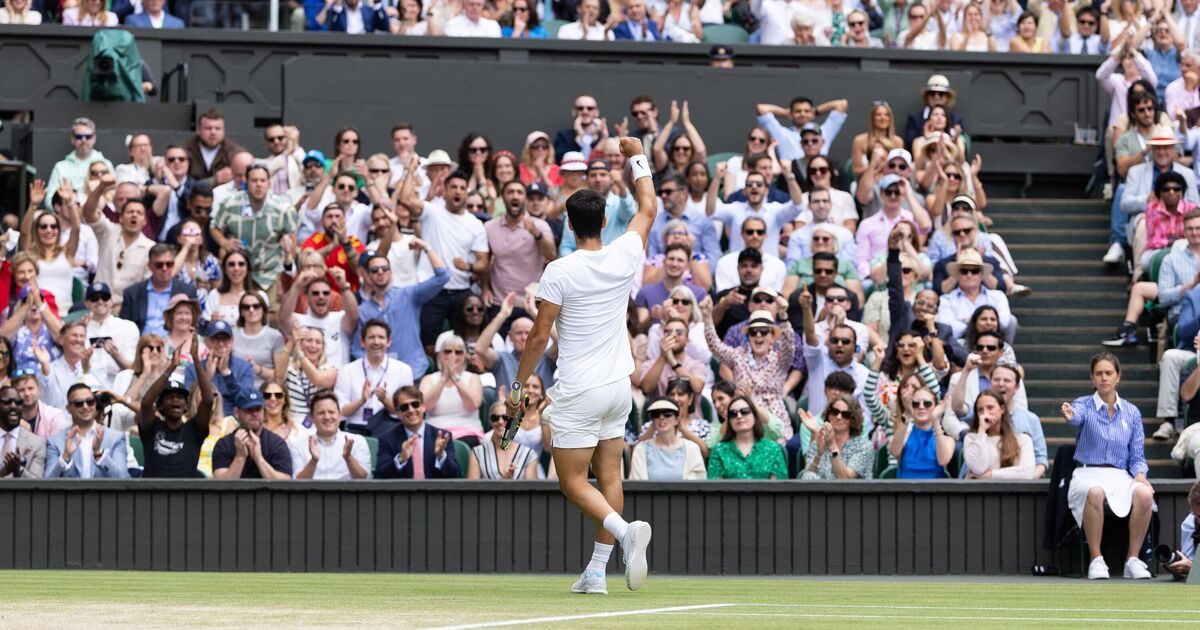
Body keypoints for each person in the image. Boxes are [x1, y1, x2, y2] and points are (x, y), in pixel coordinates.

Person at [508, 137, 654, 595]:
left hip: (579, 390)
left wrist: (517, 383)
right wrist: (635, 153)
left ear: (569, 225)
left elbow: (537, 335)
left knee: (572, 482)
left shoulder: (560, 270)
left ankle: (626, 531)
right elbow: (648, 205)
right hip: (617, 389)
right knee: (609, 475)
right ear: (605, 221)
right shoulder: (626, 252)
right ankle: (596, 572)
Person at [1061, 352, 1155, 580]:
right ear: (1092, 378)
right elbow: (1076, 417)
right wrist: (1070, 415)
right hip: (1087, 472)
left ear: (1118, 377)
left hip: (1120, 474)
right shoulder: (1082, 404)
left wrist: (1140, 475)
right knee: (1094, 493)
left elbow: (1137, 455)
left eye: (1108, 373)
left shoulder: (1132, 412)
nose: (1104, 378)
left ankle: (1132, 559)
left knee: (1144, 494)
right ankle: (1096, 559)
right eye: (1099, 374)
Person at [354, 247, 449, 376]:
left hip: (414, 371)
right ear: (367, 275)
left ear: (391, 272)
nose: (380, 272)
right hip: (380, 377)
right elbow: (357, 349)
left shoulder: (408, 295)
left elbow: (443, 276)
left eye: (385, 268)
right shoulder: (363, 310)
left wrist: (426, 247)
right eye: (374, 270)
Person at [703, 304, 795, 434]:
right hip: (744, 419)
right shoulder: (738, 355)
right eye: (753, 332)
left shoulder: (780, 360)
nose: (758, 335)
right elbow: (715, 347)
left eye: (763, 331)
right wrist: (707, 318)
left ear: (772, 337)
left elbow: (789, 346)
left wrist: (784, 318)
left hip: (774, 421)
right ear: (748, 336)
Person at [137, 332, 213, 478]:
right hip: (152, 497)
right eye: (170, 397)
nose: (176, 400)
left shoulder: (193, 430)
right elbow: (146, 404)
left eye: (180, 397)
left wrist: (196, 359)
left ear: (186, 406)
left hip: (185, 498)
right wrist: (172, 366)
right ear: (160, 406)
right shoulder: (152, 427)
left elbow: (208, 400)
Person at [375, 386, 461, 478]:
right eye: (404, 407)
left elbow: (456, 475)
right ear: (398, 413)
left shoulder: (442, 437)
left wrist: (441, 456)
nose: (411, 410)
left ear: (423, 407)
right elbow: (379, 477)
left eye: (415, 404)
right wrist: (401, 460)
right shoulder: (387, 439)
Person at [45, 383, 129, 479]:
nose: (85, 406)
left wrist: (99, 454)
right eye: (78, 403)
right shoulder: (54, 441)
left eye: (90, 402)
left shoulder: (116, 438)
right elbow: (47, 481)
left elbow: (123, 479)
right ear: (68, 409)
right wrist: (65, 458)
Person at [211, 389, 293, 480]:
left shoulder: (277, 443)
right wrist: (240, 456)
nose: (255, 414)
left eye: (258, 409)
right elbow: (220, 485)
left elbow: (285, 483)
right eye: (249, 410)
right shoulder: (224, 444)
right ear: (237, 413)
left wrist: (259, 459)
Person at [119, 244, 198, 335]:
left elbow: (194, 325)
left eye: (169, 264)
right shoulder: (132, 293)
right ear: (150, 266)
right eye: (159, 265)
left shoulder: (187, 291)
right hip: (141, 344)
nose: (164, 268)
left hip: (175, 345)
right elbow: (123, 327)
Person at [291, 390, 371, 480]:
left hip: (347, 493)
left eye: (331, 412)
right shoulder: (298, 446)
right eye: (321, 413)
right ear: (311, 417)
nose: (327, 417)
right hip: (313, 493)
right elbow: (297, 484)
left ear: (340, 415)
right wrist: (313, 461)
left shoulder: (357, 441)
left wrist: (348, 458)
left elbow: (366, 480)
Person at [421, 333, 484, 444]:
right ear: (439, 355)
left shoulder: (473, 378)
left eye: (458, 352)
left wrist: (455, 378)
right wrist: (443, 379)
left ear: (465, 356)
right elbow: (424, 406)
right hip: (434, 432)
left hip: (467, 432)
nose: (453, 355)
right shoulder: (428, 379)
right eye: (447, 351)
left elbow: (473, 404)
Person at [706, 394, 788, 480]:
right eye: (733, 414)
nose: (739, 416)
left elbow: (778, 489)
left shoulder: (773, 449)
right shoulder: (719, 450)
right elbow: (715, 489)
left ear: (755, 416)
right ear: (729, 421)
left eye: (745, 411)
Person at [963, 389, 1035, 479]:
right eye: (980, 410)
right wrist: (981, 431)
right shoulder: (971, 438)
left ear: (1002, 409)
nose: (985, 413)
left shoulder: (1023, 439)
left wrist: (990, 475)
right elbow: (978, 468)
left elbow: (1027, 473)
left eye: (990, 408)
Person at [628, 398, 706, 480]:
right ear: (652, 420)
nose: (661, 417)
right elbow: (637, 483)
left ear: (677, 419)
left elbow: (697, 483)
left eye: (667, 414)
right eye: (656, 415)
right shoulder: (640, 449)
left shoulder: (692, 448)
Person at [800, 393, 874, 480]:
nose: (839, 417)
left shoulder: (864, 446)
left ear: (853, 419)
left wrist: (832, 446)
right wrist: (819, 454)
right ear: (828, 414)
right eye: (835, 412)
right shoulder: (819, 442)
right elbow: (807, 476)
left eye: (845, 414)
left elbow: (846, 479)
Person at [44, 118, 114, 205]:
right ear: (72, 138)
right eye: (79, 137)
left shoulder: (106, 164)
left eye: (88, 137)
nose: (84, 140)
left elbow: (114, 195)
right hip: (69, 213)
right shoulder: (60, 167)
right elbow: (49, 201)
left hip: (101, 214)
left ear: (94, 138)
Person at [888, 385, 953, 479]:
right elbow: (894, 451)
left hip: (934, 491)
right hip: (905, 490)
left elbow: (943, 460)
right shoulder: (904, 436)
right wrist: (907, 413)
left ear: (936, 407)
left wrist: (935, 419)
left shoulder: (948, 440)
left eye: (927, 403)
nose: (921, 406)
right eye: (915, 404)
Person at [467, 401, 540, 479]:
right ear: (490, 422)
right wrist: (501, 483)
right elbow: (472, 489)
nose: (500, 421)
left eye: (506, 417)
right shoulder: (477, 453)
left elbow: (531, 489)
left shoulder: (529, 455)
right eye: (495, 418)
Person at [284, 327, 338, 423]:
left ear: (323, 348)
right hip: (293, 423)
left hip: (322, 422)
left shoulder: (330, 368)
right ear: (301, 344)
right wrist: (292, 342)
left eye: (318, 342)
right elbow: (278, 376)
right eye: (309, 340)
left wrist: (300, 354)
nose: (313, 345)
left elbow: (318, 380)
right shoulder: (290, 368)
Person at [184, 109, 247, 184]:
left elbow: (246, 183)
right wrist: (213, 181)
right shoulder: (184, 152)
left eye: (218, 128)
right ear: (198, 130)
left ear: (224, 131)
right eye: (208, 128)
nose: (213, 132)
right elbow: (180, 186)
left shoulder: (236, 153)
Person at [0, 384, 45, 478]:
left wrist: (19, 470)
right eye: (7, 402)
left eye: (18, 402)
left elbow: (37, 484)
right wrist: (2, 473)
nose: (13, 406)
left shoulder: (37, 443)